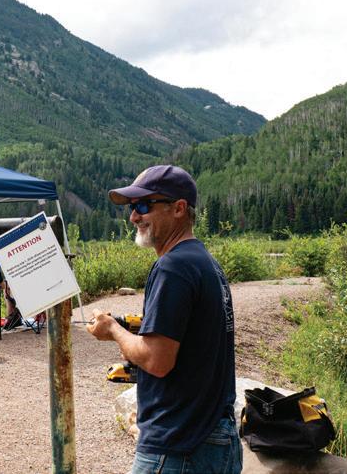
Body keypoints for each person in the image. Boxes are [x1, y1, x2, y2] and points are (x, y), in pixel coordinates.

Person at [86, 164, 241, 474]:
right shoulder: (205, 262)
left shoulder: (173, 267)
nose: (134, 216)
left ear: (179, 209)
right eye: (131, 207)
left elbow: (157, 361)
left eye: (144, 206)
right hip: (214, 439)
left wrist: (113, 329)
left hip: (178, 445)